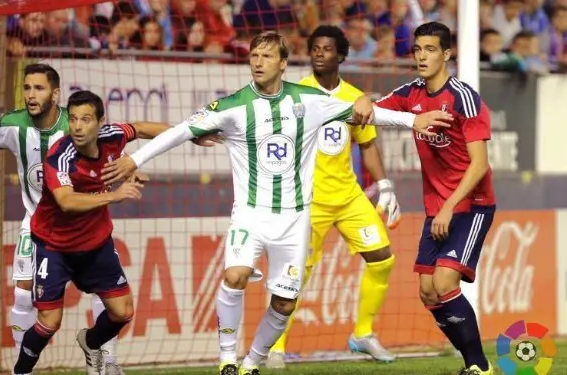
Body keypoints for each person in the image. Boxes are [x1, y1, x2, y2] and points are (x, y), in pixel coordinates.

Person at [103, 31, 451, 375]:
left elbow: (371, 115)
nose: (258, 62)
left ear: (283, 63)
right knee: (235, 275)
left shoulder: (309, 100)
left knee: (284, 301)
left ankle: (253, 361)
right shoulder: (233, 106)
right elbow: (179, 131)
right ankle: (227, 358)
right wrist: (137, 159)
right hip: (250, 216)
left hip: (295, 220)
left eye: (267, 56)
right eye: (254, 56)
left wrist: (413, 120)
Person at [0, 64, 220, 375]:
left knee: (120, 309)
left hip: (93, 235)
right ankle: (22, 367)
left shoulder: (88, 126)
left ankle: (103, 358)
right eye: (27, 87)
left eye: (38, 88)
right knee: (33, 303)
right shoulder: (47, 145)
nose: (31, 94)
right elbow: (61, 197)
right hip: (45, 230)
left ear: (57, 95)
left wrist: (189, 135)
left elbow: (141, 129)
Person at [267, 25, 399, 368]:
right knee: (294, 275)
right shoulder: (294, 95)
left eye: (326, 48)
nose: (319, 53)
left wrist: (384, 185)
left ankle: (363, 335)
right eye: (314, 48)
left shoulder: (355, 97)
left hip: (348, 196)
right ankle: (275, 346)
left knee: (382, 257)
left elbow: (367, 145)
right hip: (309, 202)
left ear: (341, 55)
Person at [375, 22, 496, 375]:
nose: (422, 56)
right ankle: (471, 362)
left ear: (447, 54)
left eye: (430, 49)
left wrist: (447, 206)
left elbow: (480, 165)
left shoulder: (464, 98)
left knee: (444, 282)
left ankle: (479, 366)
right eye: (417, 49)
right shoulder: (411, 94)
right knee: (428, 293)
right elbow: (374, 110)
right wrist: (358, 101)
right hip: (437, 208)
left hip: (472, 205)